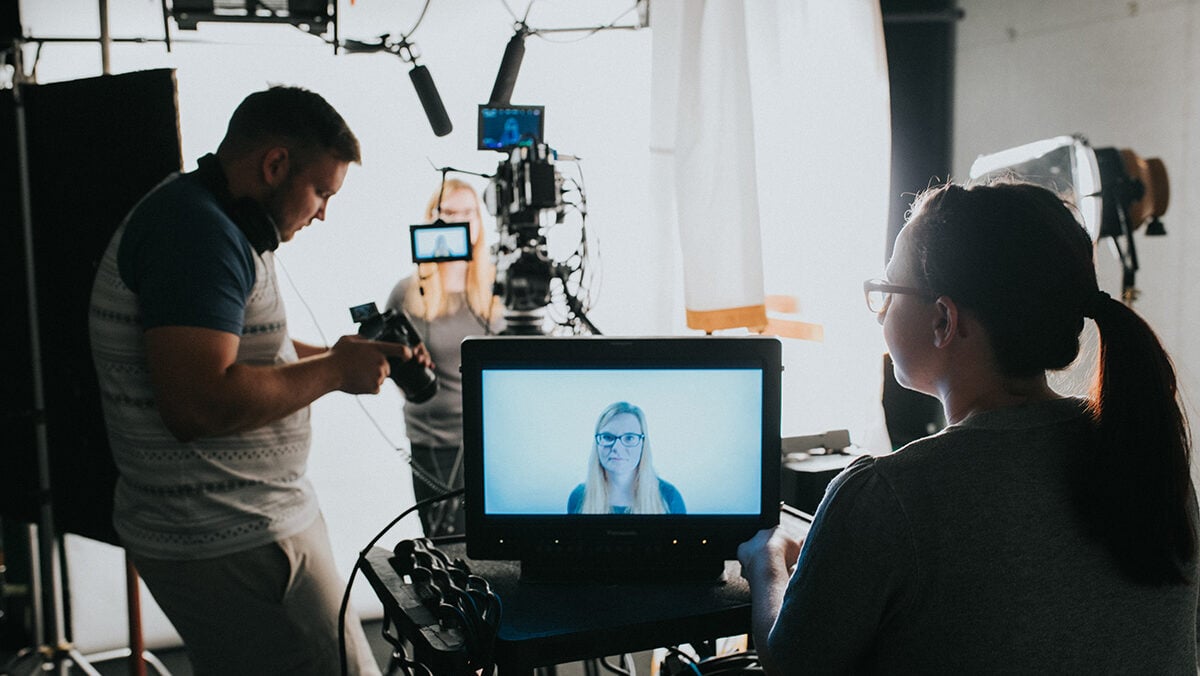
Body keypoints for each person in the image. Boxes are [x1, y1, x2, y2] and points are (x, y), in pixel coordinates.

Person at [737, 181, 1199, 673]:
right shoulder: (1145, 459)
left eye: (888, 291)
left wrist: (765, 561)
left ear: (943, 321)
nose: (881, 315)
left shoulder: (887, 495)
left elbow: (790, 665)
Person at [88, 86, 416, 676]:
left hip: (242, 526)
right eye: (321, 192)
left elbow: (252, 354)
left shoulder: (214, 222)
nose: (322, 213)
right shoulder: (198, 236)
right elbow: (198, 403)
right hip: (232, 536)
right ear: (274, 165)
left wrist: (345, 356)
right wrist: (337, 370)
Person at [385, 179, 502, 537]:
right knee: (443, 540)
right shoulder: (409, 292)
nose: (461, 221)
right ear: (433, 219)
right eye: (450, 213)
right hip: (432, 442)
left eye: (469, 213)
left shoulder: (501, 287)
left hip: (492, 441)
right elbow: (390, 356)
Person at [567, 401, 686, 514]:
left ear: (643, 444)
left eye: (629, 438)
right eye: (608, 437)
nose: (617, 448)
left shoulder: (669, 497)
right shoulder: (579, 497)